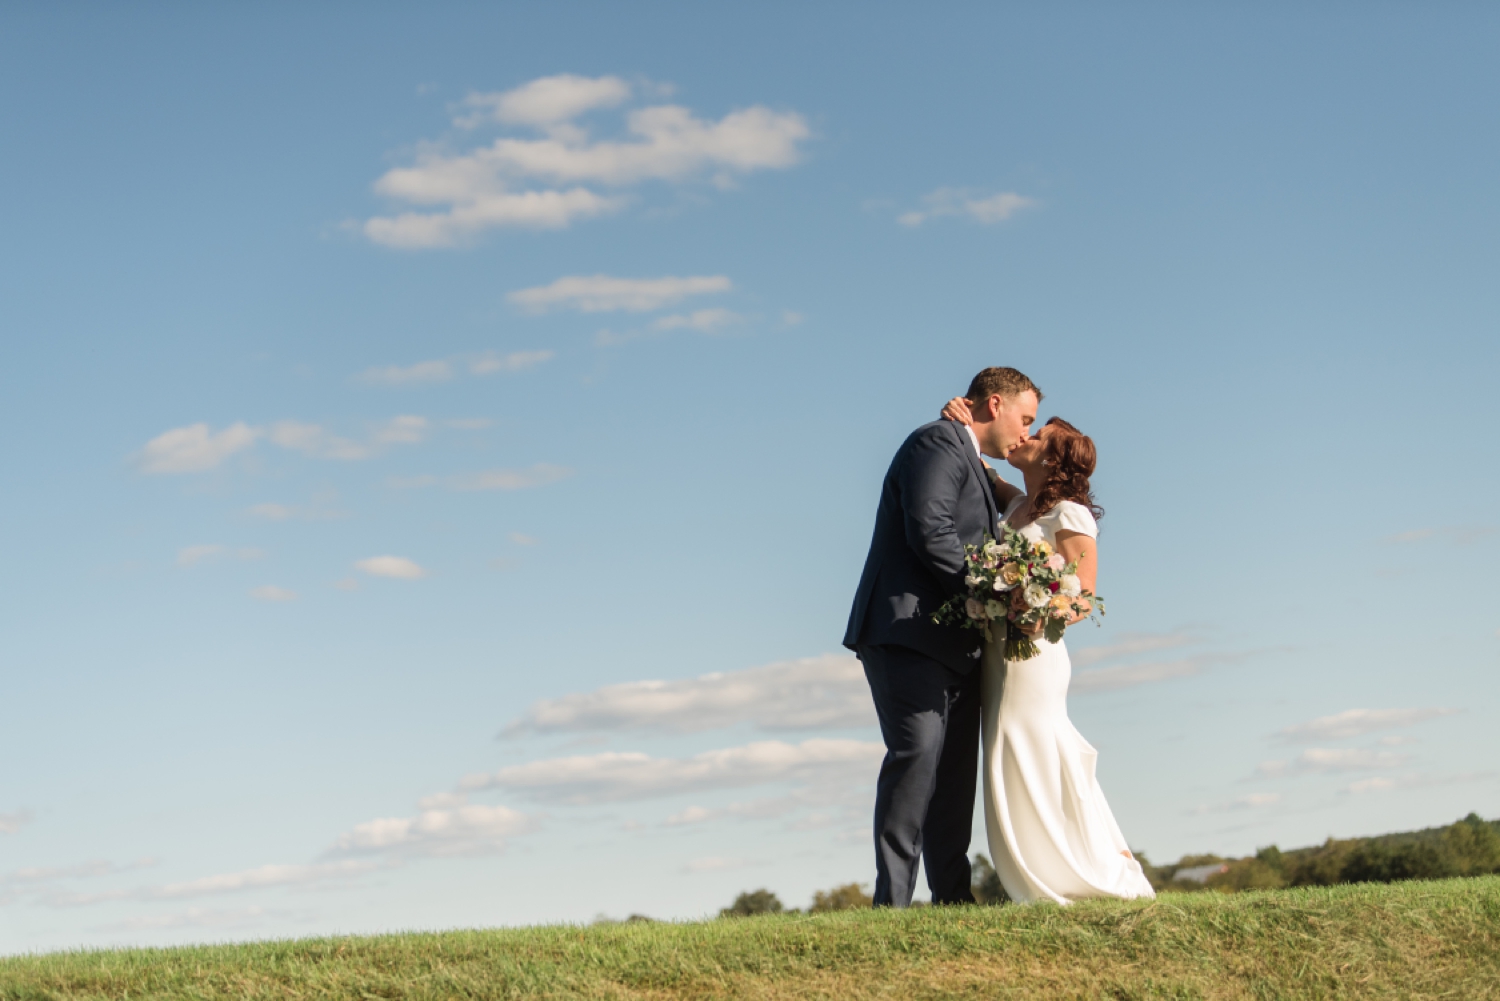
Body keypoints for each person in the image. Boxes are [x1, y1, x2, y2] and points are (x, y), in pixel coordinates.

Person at [940, 398, 1155, 904]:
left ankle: (1082, 871)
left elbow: (1083, 594)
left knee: (1032, 746)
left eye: (1038, 437)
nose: (1026, 437)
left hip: (1034, 653)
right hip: (997, 653)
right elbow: (982, 466)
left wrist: (1038, 611)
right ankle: (1058, 864)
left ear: (1054, 459)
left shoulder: (1069, 513)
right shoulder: (1017, 505)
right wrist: (962, 418)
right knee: (1011, 751)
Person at [843, 367, 1040, 907]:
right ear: (993, 404)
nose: (1025, 433)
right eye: (1024, 419)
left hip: (960, 639)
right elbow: (929, 530)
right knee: (917, 755)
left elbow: (1010, 507)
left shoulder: (969, 454)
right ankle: (893, 903)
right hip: (908, 629)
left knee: (954, 775)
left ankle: (953, 898)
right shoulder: (936, 441)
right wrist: (998, 594)